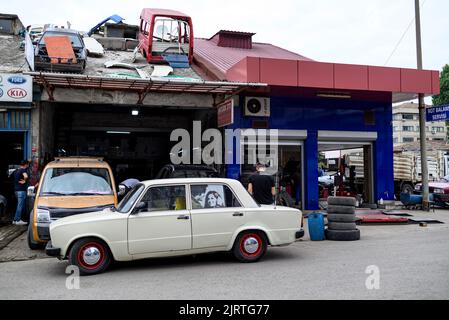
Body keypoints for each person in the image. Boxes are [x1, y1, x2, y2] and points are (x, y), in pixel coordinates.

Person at [12, 160, 29, 225]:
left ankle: (15, 220)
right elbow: (26, 176)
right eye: (27, 164)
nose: (28, 165)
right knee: (20, 205)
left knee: (18, 205)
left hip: (16, 190)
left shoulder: (16, 171)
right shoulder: (23, 170)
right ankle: (18, 220)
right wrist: (24, 180)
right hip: (21, 190)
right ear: (25, 164)